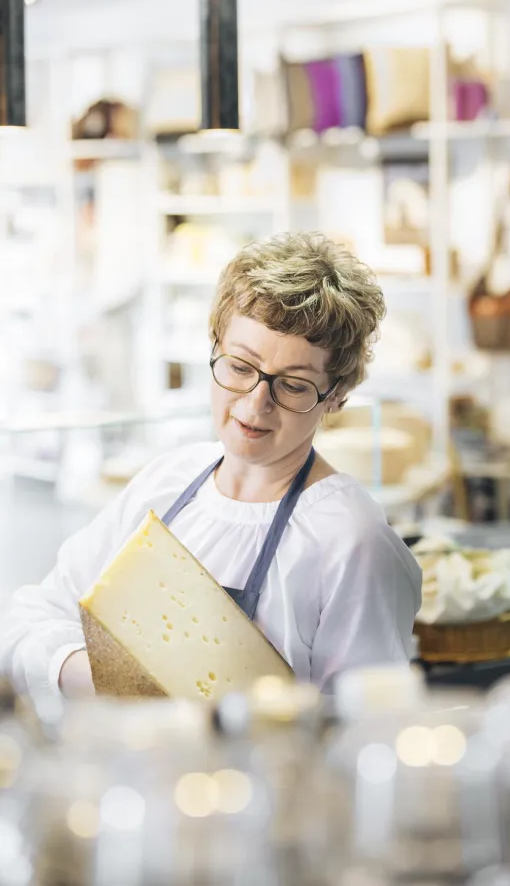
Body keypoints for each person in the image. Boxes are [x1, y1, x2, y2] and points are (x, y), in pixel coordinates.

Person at [0, 232, 421, 699]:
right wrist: (117, 683)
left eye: (294, 385)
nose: (256, 404)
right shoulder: (167, 482)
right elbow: (32, 618)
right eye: (241, 367)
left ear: (336, 396)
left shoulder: (352, 543)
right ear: (214, 347)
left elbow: (364, 732)